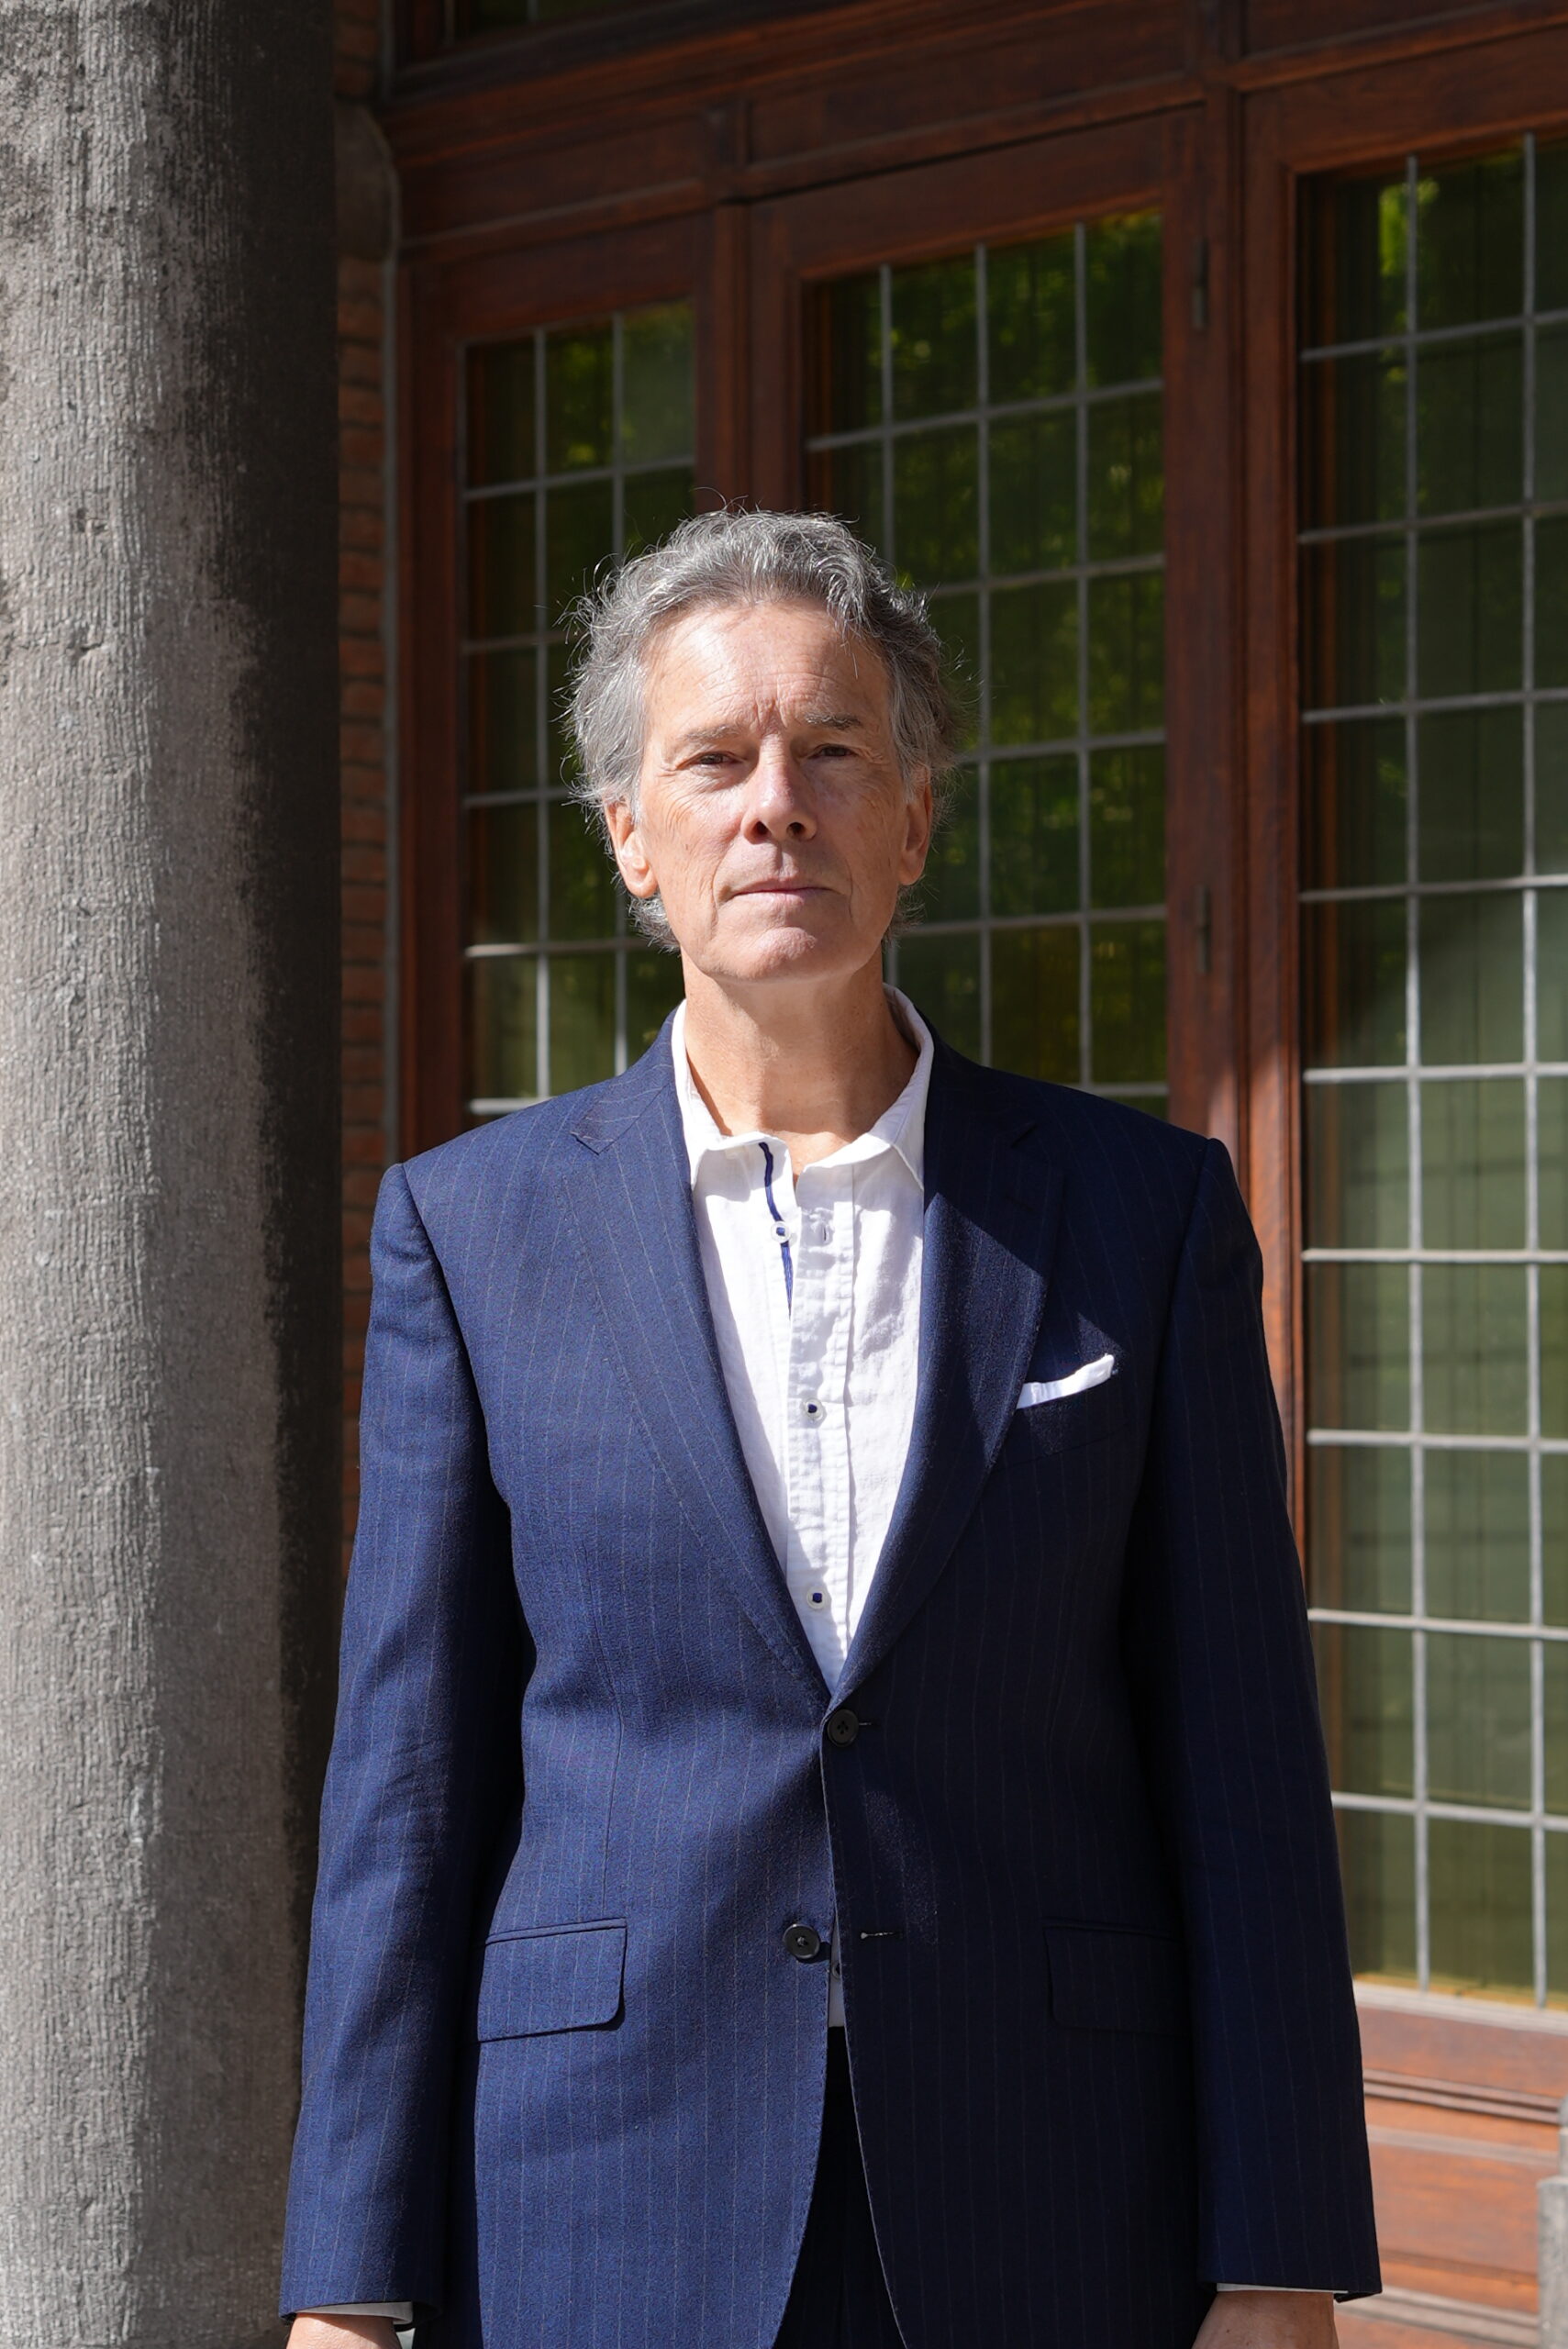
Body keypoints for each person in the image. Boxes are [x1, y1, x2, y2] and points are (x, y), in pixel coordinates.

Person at [280, 510, 1379, 2349]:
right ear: (630, 835)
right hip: (600, 2195)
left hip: (1046, 2189)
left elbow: (1241, 1756)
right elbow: (410, 1784)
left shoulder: (1138, 1214)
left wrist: (1279, 2254)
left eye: (834, 752)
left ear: (916, 819)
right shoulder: (468, 1233)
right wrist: (344, 2284)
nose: (774, 806)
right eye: (714, 760)